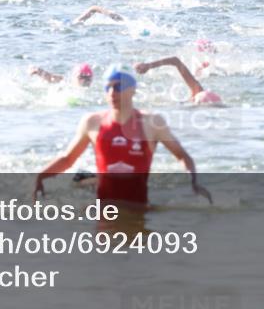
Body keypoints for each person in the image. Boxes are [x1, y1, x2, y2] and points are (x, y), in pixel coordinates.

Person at [33, 68, 211, 207]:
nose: (112, 92)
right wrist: (40, 177)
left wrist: (194, 182)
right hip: (103, 208)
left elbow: (182, 156)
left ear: (132, 90)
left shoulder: (151, 122)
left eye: (118, 87)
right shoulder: (92, 122)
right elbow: (67, 159)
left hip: (139, 206)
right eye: (108, 87)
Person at [135, 56, 223, 106]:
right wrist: (149, 65)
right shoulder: (197, 91)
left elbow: (175, 61)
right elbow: (175, 61)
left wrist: (149, 66)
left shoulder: (196, 94)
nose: (192, 98)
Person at [30, 63, 94, 88]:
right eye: (81, 77)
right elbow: (50, 77)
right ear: (74, 77)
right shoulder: (66, 82)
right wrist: (38, 71)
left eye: (88, 78)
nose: (84, 80)